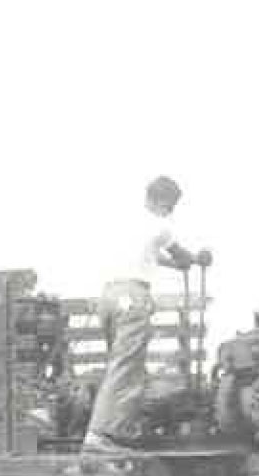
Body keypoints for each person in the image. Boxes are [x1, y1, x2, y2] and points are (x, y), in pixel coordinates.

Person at [84, 175, 210, 453]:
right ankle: (98, 437)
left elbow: (153, 257)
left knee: (121, 365)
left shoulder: (129, 224)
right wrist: (198, 259)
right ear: (164, 201)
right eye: (172, 205)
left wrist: (179, 265)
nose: (171, 211)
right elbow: (181, 255)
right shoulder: (160, 224)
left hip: (109, 297)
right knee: (127, 368)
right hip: (133, 296)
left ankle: (116, 432)